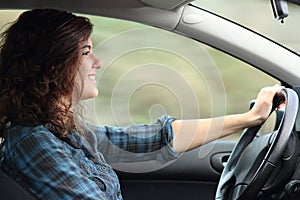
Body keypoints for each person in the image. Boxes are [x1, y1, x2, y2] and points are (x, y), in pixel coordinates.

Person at [0, 8, 283, 200]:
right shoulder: (32, 142)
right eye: (86, 52)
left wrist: (250, 118)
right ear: (53, 66)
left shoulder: (64, 132)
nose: (97, 63)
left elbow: (152, 139)